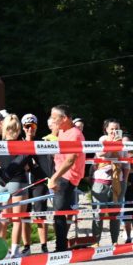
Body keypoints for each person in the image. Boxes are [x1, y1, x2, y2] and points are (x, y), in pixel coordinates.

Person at [48, 105, 86, 253]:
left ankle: (61, 249)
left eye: (54, 117)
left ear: (64, 118)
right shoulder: (62, 131)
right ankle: (62, 246)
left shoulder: (75, 134)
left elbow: (70, 160)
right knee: (60, 212)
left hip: (67, 176)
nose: (52, 120)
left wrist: (54, 178)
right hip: (60, 174)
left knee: (59, 213)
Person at [0, 114, 32, 257]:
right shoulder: (22, 144)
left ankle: (0, 251)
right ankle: (15, 251)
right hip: (18, 183)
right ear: (18, 129)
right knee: (17, 219)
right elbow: (27, 165)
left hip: (2, 184)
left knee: (4, 218)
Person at [91, 118, 126, 246]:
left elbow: (126, 164)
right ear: (106, 129)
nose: (114, 131)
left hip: (117, 181)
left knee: (115, 214)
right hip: (101, 181)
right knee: (98, 213)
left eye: (117, 129)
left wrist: (124, 181)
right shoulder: (102, 140)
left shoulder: (123, 144)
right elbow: (100, 154)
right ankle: (96, 242)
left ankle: (114, 241)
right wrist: (112, 144)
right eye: (112, 129)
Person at [26, 114, 53, 252]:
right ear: (23, 127)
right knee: (24, 215)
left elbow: (47, 163)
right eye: (27, 126)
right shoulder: (19, 141)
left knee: (40, 213)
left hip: (39, 182)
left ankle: (43, 245)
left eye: (33, 126)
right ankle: (26, 246)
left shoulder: (41, 142)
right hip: (24, 183)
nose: (30, 129)